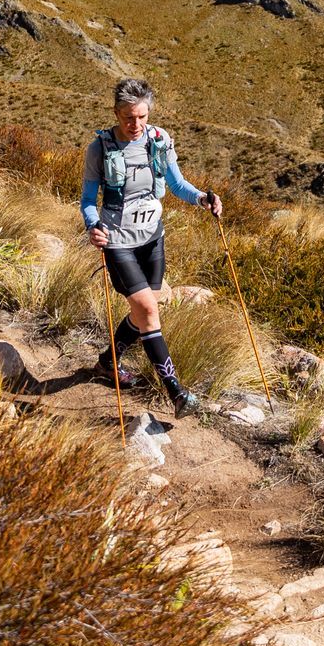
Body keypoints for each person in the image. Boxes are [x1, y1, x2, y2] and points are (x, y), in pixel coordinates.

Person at [82, 77, 222, 418]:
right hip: (117, 241)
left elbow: (176, 184)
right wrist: (93, 226)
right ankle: (176, 392)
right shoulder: (99, 149)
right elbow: (88, 200)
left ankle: (106, 364)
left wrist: (202, 197)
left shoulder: (159, 141)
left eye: (142, 117)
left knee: (144, 309)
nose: (136, 125)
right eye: (129, 117)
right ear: (116, 113)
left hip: (152, 239)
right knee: (147, 309)